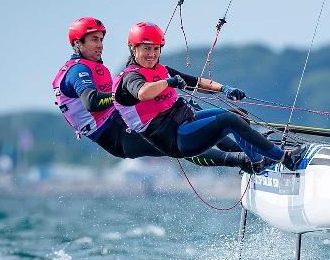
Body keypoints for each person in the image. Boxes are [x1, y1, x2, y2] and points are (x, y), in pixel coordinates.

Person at [51, 17, 254, 170]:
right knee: (180, 144)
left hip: (121, 121)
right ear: (77, 43)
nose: (100, 45)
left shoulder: (89, 66)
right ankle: (244, 161)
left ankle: (246, 151)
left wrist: (223, 89)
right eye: (94, 39)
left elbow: (192, 82)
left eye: (101, 39)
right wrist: (122, 95)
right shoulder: (78, 71)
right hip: (116, 136)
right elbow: (92, 102)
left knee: (190, 115)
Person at [112, 21, 306, 171]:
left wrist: (225, 89)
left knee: (237, 115)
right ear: (133, 48)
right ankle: (285, 159)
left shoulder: (161, 70)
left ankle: (258, 162)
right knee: (228, 120)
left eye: (156, 49)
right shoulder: (130, 77)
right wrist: (169, 83)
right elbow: (143, 92)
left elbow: (196, 82)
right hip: (176, 139)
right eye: (146, 48)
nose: (152, 54)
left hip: (184, 122)